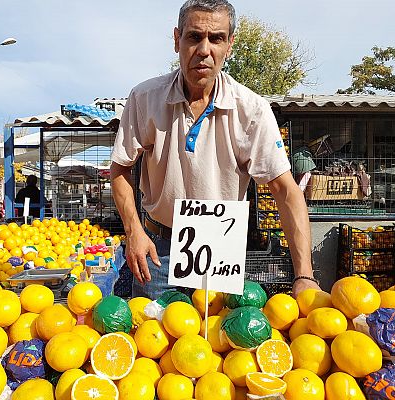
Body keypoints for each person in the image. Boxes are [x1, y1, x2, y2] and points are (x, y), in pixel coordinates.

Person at [110, 0, 318, 299]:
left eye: (216, 38)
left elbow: (285, 190)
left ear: (229, 45)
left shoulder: (251, 110)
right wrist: (134, 232)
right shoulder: (145, 99)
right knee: (152, 339)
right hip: (156, 250)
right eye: (194, 37)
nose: (204, 49)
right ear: (176, 39)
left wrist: (304, 275)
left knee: (216, 341)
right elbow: (119, 168)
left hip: (219, 250)